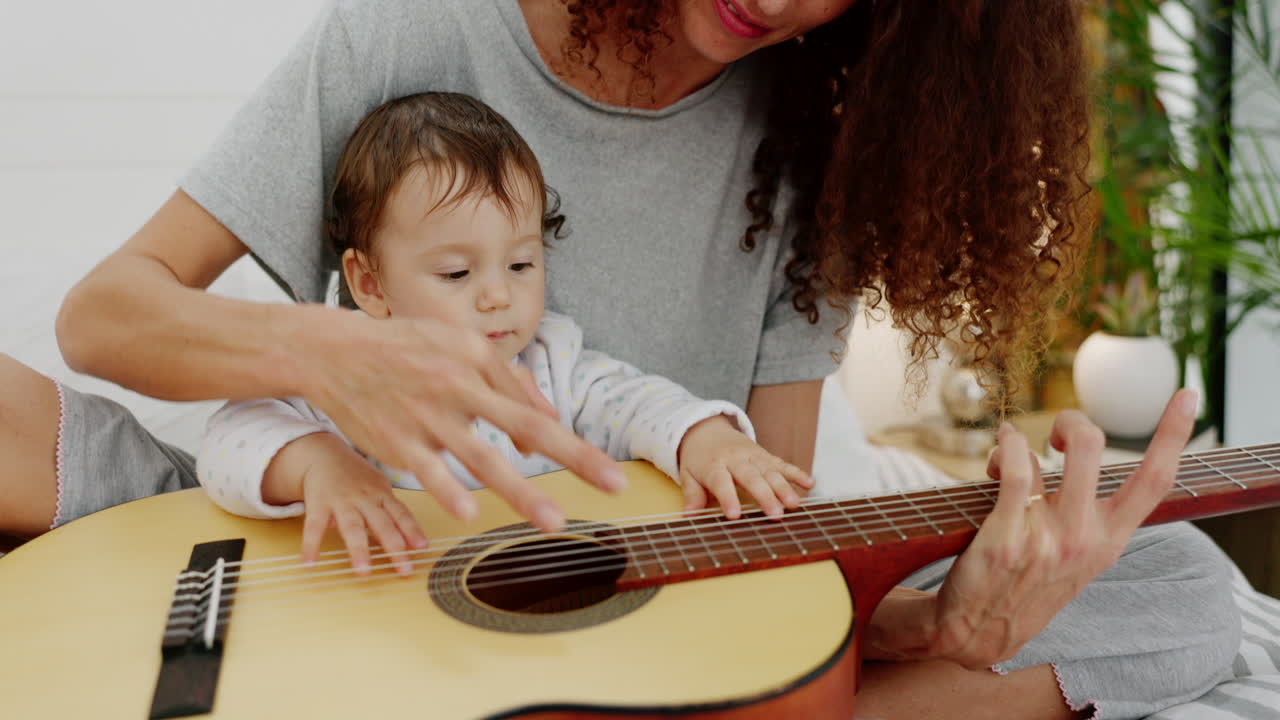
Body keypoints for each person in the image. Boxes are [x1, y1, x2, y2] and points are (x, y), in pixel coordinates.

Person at [0, 1, 1238, 717]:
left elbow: (769, 553)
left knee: (1174, 582)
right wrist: (330, 360)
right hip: (296, 537)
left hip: (607, 638)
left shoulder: (813, 149)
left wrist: (929, 630)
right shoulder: (416, 27)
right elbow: (106, 314)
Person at [198, 91, 812, 575]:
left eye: (521, 264)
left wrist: (705, 438)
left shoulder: (550, 362)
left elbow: (636, 403)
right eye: (456, 272)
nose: (498, 295)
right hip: (379, 617)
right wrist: (318, 464)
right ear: (370, 284)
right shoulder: (342, 374)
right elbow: (228, 436)